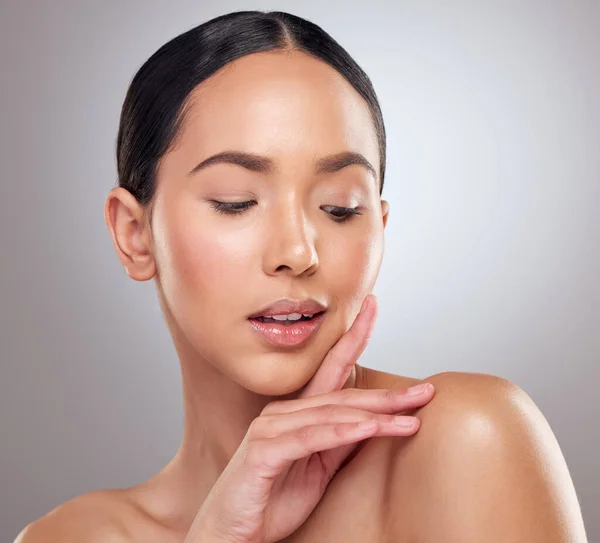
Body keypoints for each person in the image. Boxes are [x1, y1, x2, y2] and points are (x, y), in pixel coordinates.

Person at [15, 9, 588, 543]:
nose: (297, 251)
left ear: (380, 226)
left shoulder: (466, 441)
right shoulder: (72, 536)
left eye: (339, 208)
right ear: (135, 235)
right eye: (237, 202)